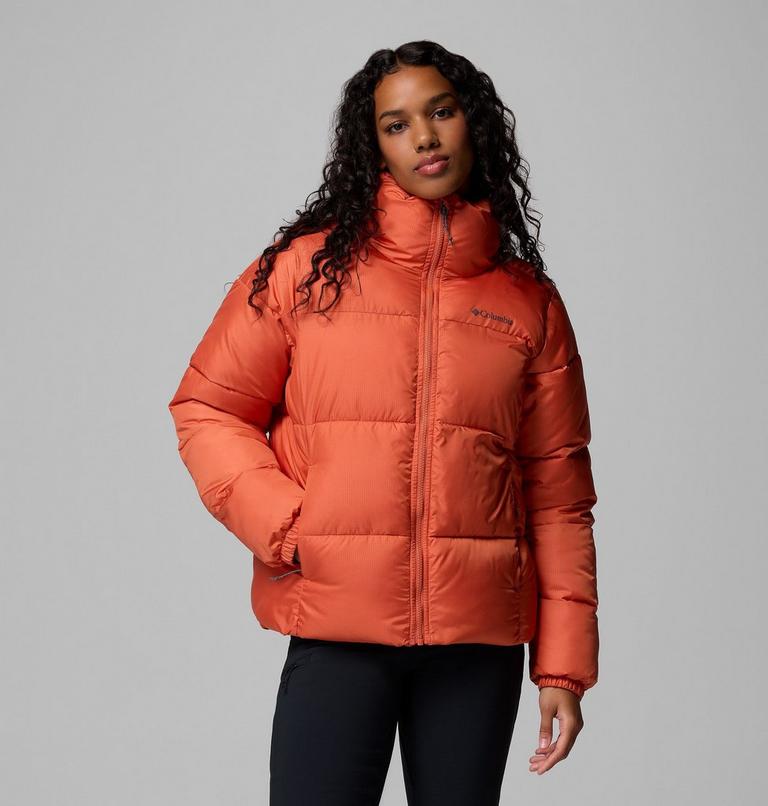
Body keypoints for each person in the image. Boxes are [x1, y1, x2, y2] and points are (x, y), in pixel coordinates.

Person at [168, 40, 599, 806]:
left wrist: (562, 668)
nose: (425, 137)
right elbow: (208, 406)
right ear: (374, 147)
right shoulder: (304, 274)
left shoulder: (529, 302)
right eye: (397, 125)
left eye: (441, 112)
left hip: (477, 648)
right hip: (338, 631)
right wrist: (290, 526)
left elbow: (559, 494)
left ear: (474, 122)